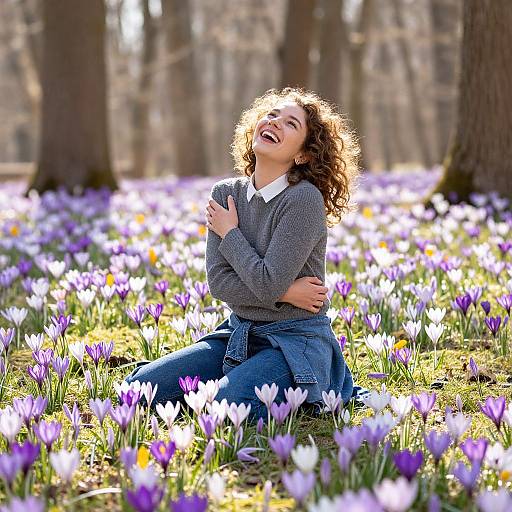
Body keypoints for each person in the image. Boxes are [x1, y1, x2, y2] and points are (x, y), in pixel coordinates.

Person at [124, 86, 364, 422]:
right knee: (134, 391)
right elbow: (220, 284)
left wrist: (230, 233)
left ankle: (315, 385)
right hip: (238, 332)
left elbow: (266, 283)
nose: (275, 123)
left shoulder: (303, 200)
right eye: (272, 115)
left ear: (304, 155)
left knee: (224, 410)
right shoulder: (225, 193)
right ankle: (236, 377)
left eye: (290, 124)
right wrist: (287, 291)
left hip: (294, 343)